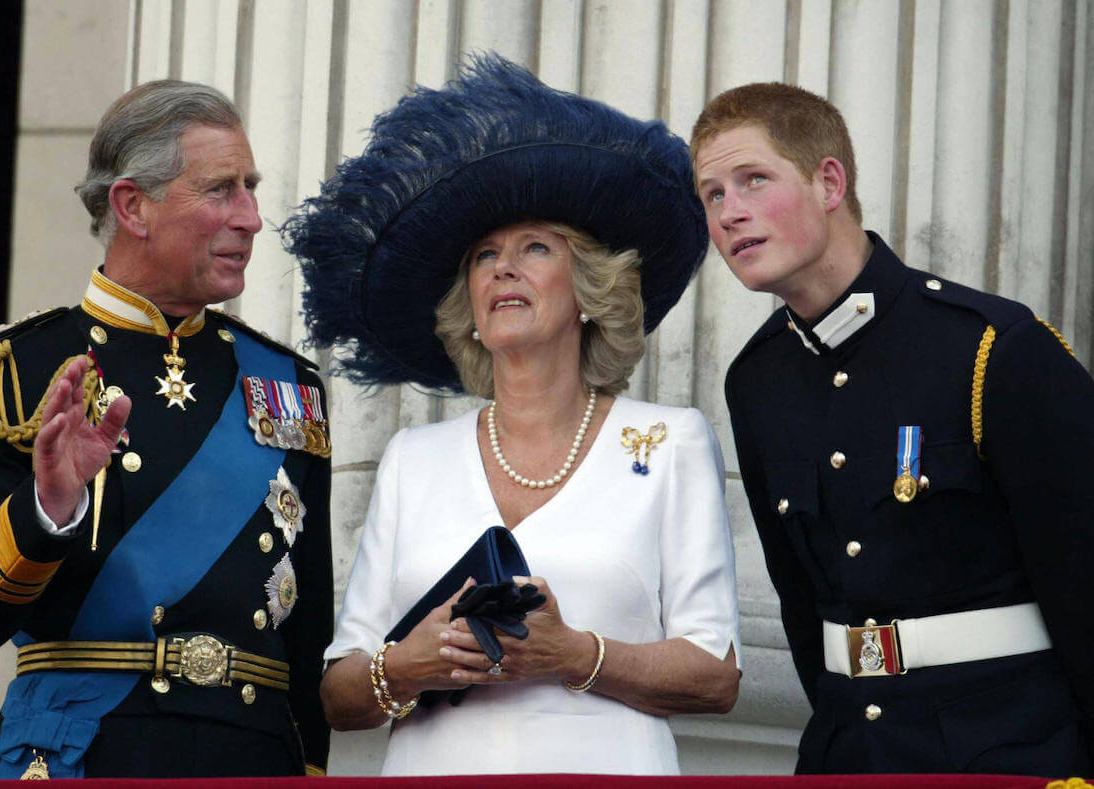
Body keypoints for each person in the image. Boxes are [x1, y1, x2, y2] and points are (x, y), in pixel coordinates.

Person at [283, 54, 741, 776]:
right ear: (466, 308)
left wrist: (574, 655)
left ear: (588, 287)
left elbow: (714, 674)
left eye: (535, 248)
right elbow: (341, 691)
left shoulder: (669, 441)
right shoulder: (415, 456)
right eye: (484, 256)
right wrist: (407, 666)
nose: (503, 268)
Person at [0, 80, 333, 779]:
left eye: (250, 188)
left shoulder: (289, 384)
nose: (252, 218)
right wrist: (46, 508)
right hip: (82, 751)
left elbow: (308, 623)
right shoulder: (14, 370)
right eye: (221, 190)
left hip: (251, 756)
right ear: (132, 205)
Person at [691, 82, 1094, 775]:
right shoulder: (757, 380)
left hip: (1008, 753)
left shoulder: (991, 347)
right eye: (712, 195)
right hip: (849, 752)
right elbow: (800, 600)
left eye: (753, 179)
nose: (730, 212)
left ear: (828, 182)